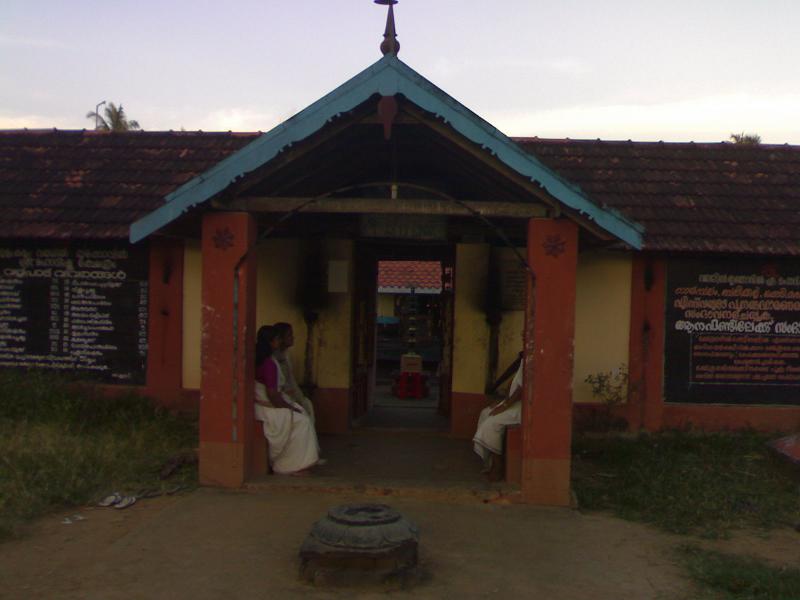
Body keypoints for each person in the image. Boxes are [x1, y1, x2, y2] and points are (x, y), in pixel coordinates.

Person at [254, 325, 320, 475]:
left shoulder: (261, 360)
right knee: (302, 421)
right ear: (271, 342)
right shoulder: (269, 364)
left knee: (302, 412)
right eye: (277, 339)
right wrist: (288, 408)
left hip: (262, 406)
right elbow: (272, 394)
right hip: (269, 409)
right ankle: (292, 465)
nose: (279, 342)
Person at [473, 353, 524, 481]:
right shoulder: (524, 359)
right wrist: (502, 401)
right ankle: (489, 463)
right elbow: (513, 384)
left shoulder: (533, 359)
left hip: (523, 407)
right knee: (486, 412)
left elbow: (522, 388)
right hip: (513, 402)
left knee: (491, 423)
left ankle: (498, 465)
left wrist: (505, 405)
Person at [272, 322, 316, 426]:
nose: (292, 337)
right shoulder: (273, 359)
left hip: (291, 393)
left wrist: (299, 397)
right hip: (282, 396)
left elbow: (291, 380)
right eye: (289, 335)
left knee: (307, 404)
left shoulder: (287, 357)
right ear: (281, 338)